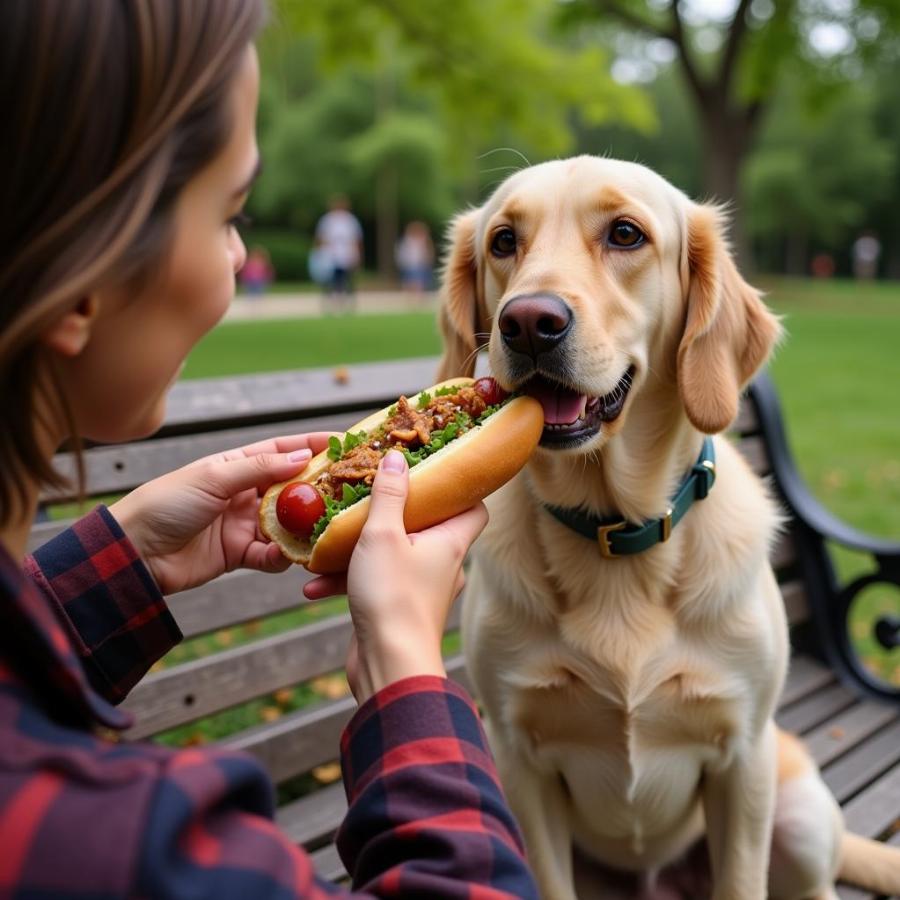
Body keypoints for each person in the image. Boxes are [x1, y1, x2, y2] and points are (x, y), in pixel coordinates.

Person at [0, 4, 540, 899]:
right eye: (230, 212)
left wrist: (124, 564)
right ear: (80, 287)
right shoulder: (121, 847)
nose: (242, 252)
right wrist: (406, 663)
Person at [314, 195, 363, 312]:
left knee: (347, 279)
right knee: (330, 280)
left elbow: (356, 239)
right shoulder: (327, 220)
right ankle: (330, 302)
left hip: (347, 255)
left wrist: (357, 254)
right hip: (330, 256)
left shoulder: (351, 220)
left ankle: (348, 303)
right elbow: (320, 238)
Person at [395, 220, 435, 295]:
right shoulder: (408, 241)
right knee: (412, 281)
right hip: (411, 264)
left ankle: (415, 296)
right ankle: (413, 295)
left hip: (419, 264)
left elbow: (428, 254)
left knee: (417, 281)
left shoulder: (423, 242)